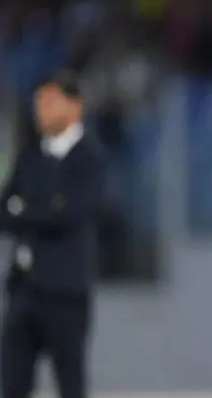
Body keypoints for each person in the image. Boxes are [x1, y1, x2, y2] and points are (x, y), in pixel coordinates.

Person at [0, 69, 107, 398]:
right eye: (38, 103)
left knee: (70, 383)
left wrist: (25, 208)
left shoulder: (90, 159)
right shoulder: (30, 155)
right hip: (23, 289)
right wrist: (45, 207)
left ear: (75, 107)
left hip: (65, 291)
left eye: (49, 102)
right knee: (13, 383)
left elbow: (69, 214)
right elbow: (5, 210)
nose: (41, 111)